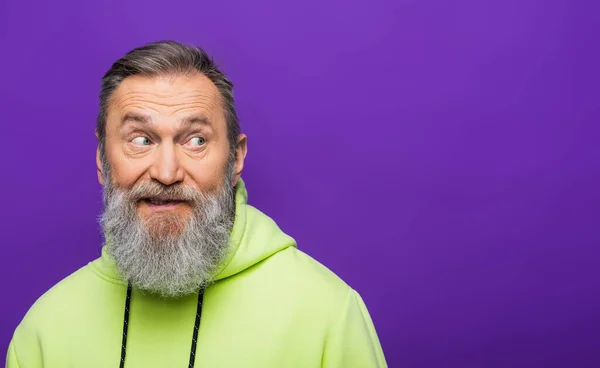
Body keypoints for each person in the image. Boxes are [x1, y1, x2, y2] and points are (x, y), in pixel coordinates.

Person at [6, 41, 387, 367]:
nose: (167, 173)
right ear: (102, 160)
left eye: (196, 140)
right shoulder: (44, 329)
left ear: (235, 158)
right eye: (140, 139)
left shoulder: (328, 313)